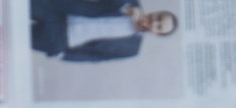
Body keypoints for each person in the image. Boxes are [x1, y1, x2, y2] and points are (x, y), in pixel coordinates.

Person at [31, 1, 178, 62]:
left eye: (159, 26)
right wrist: (124, 8)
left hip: (59, 40)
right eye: (158, 17)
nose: (154, 22)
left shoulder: (131, 49)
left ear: (157, 34)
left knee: (11, 38)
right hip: (59, 10)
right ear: (157, 11)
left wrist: (63, 54)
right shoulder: (130, 2)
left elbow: (95, 57)